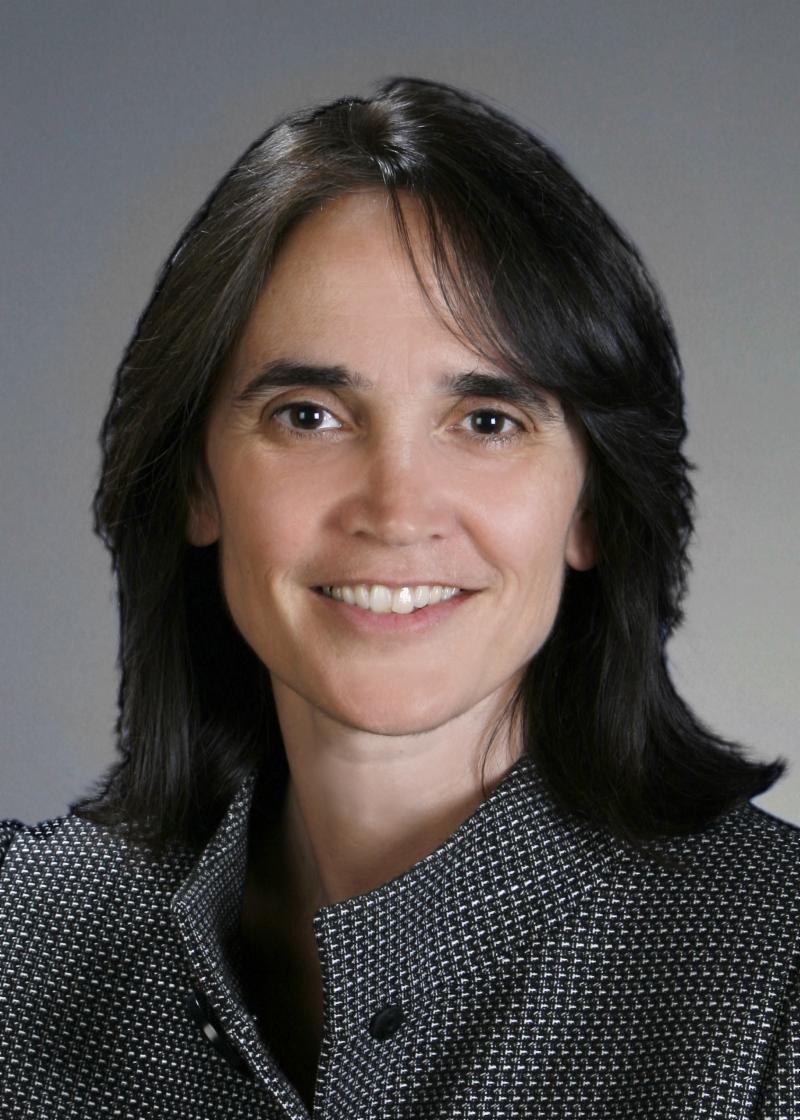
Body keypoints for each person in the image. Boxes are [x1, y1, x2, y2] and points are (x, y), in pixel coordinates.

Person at [0, 77, 797, 1119]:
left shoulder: (774, 985)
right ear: (196, 483)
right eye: (309, 415)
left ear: (592, 507)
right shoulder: (22, 936)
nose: (395, 509)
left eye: (487, 421)